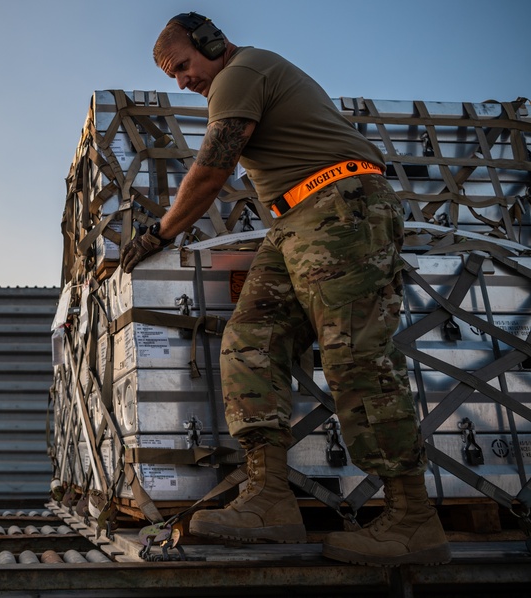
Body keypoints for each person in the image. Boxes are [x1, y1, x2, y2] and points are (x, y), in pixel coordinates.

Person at [121, 12, 450, 566]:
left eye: (183, 66)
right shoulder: (238, 76)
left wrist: (160, 231)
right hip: (295, 223)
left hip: (340, 210)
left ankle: (413, 519)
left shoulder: (241, 71)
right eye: (172, 75)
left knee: (355, 358)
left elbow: (214, 165)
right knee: (249, 340)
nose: (182, 81)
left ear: (211, 42)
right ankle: (269, 497)